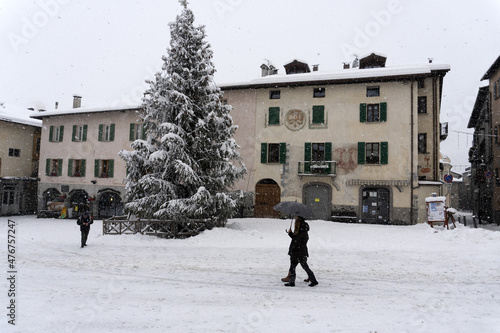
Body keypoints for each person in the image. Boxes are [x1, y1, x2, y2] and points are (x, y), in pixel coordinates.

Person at [283, 216, 318, 287]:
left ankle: (293, 282)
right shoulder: (303, 232)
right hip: (302, 252)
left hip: (297, 253)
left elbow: (296, 241)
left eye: (296, 219)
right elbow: (296, 239)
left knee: (295, 267)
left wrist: (291, 235)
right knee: (301, 266)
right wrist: (291, 234)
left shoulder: (300, 232)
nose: (295, 219)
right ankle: (312, 280)